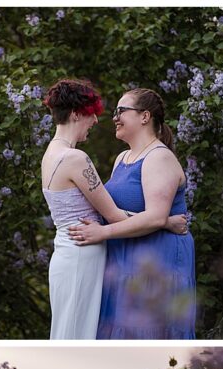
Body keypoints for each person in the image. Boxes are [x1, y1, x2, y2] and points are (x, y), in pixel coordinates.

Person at [40, 79, 189, 339]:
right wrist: (166, 221)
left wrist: (157, 220)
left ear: (145, 117)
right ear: (75, 114)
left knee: (75, 331)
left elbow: (109, 215)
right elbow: (111, 214)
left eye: (121, 111)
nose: (100, 120)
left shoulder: (52, 154)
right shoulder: (77, 158)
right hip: (85, 252)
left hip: (129, 256)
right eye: (92, 113)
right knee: (78, 333)